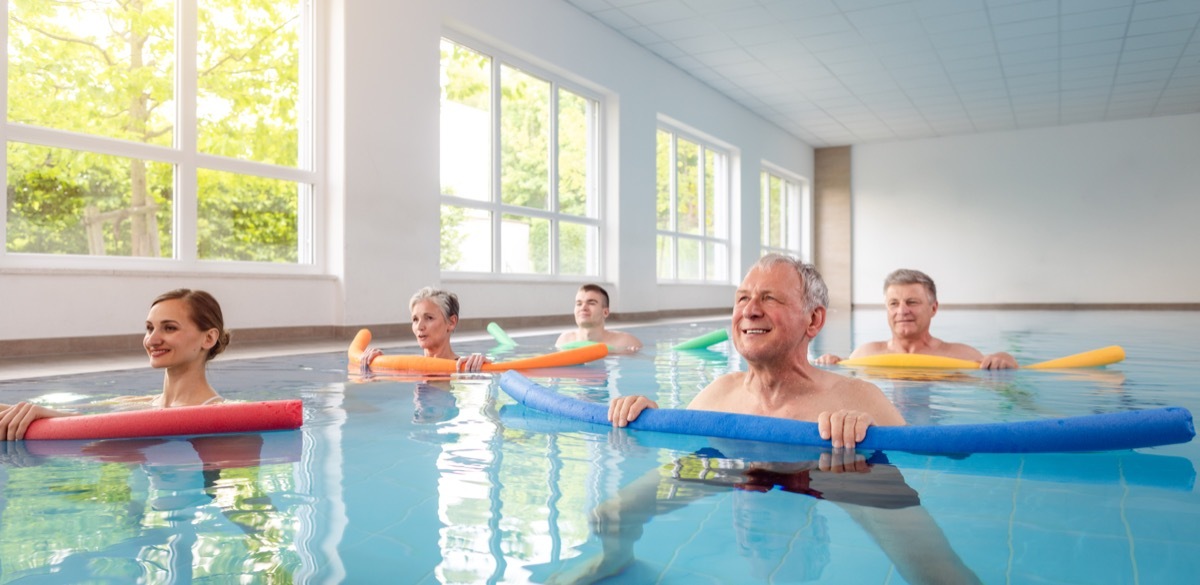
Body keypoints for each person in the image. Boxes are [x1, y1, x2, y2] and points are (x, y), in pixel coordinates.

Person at [609, 254, 905, 449]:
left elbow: (919, 472)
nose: (749, 311)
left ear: (813, 320)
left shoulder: (859, 401)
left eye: (769, 298)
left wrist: (869, 449)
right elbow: (680, 472)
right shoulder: (718, 397)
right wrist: (646, 423)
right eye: (742, 299)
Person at [1, 288, 230, 441]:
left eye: (169, 328)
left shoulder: (215, 414)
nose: (152, 340)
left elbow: (107, 434)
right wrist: (30, 410)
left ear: (208, 338)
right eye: (149, 328)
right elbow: (86, 416)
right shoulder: (139, 403)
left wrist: (47, 416)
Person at [815, 269, 1018, 370]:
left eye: (912, 302)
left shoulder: (959, 355)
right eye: (894, 303)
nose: (902, 311)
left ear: (933, 308)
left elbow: (997, 373)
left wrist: (1005, 360)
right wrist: (829, 364)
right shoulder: (865, 354)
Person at [359, 286, 490, 374]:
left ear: (451, 322)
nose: (420, 327)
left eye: (429, 318)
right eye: (415, 319)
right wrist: (373, 366)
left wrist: (478, 368)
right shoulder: (410, 366)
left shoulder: (464, 367)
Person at [555, 284, 642, 353]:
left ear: (605, 312)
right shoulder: (564, 340)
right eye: (579, 304)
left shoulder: (626, 343)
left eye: (591, 303)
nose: (583, 308)